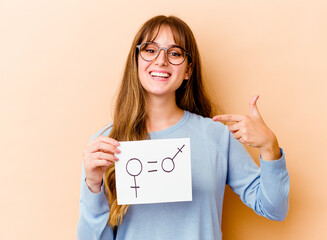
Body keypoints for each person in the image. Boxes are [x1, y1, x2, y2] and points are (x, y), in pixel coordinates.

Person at [77, 15, 289, 240]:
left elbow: (273, 209)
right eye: (150, 50)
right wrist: (93, 185)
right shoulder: (107, 141)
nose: (161, 60)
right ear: (136, 61)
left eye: (175, 53)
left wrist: (270, 147)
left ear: (188, 70)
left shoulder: (216, 136)